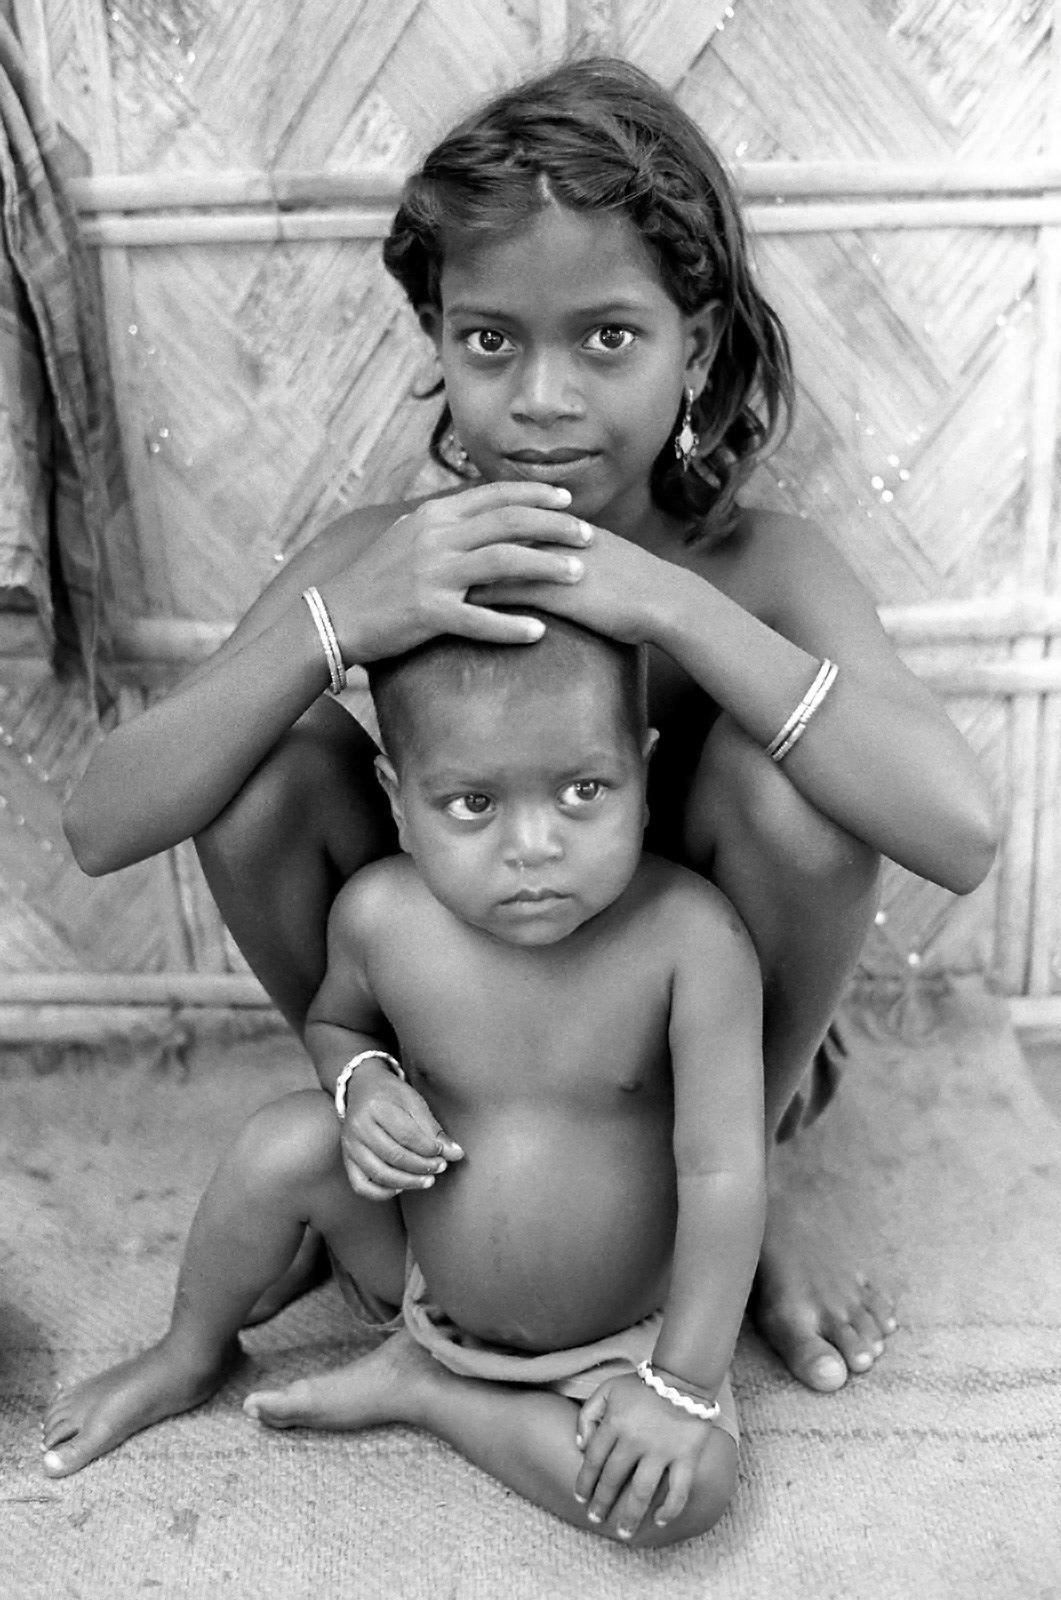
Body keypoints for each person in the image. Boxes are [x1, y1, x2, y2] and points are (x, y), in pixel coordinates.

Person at [61, 57, 997, 1400]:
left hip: (692, 1039)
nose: (541, 396)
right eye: (489, 340)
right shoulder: (394, 554)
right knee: (261, 771)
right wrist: (339, 618)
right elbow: (104, 822)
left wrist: (667, 604)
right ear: (438, 339)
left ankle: (741, 1189)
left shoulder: (758, 569)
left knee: (799, 794)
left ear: (698, 347)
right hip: (466, 1022)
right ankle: (397, 1136)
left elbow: (955, 832)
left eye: (606, 338)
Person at [44, 615, 764, 1550]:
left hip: (624, 1339)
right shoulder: (381, 916)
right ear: (396, 798)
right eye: (472, 804)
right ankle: (190, 1351)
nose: (534, 844)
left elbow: (723, 1171)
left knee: (687, 1492)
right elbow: (337, 1026)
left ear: (644, 770)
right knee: (283, 1141)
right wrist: (364, 1085)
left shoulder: (693, 939)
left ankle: (429, 1394)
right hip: (422, 1278)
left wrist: (681, 1384)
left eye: (584, 790)